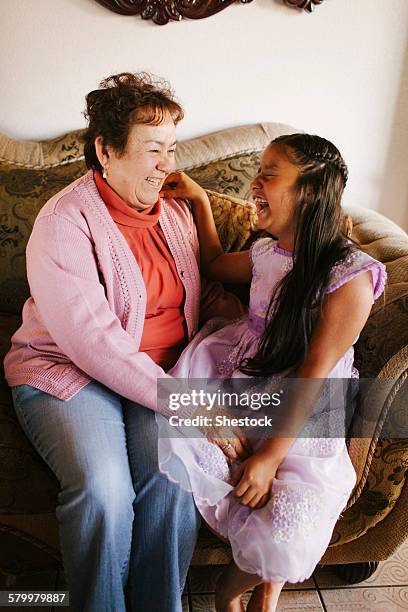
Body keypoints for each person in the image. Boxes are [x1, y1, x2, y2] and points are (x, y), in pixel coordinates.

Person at [3, 72, 246, 612]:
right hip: (69, 374)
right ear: (106, 151)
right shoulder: (64, 222)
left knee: (174, 476)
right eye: (153, 149)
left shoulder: (176, 214)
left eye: (173, 149)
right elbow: (93, 343)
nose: (168, 164)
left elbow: (192, 300)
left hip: (157, 377)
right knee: (104, 492)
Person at [155, 133, 387, 612]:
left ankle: (235, 590)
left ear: (309, 190)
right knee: (191, 441)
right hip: (243, 373)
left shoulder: (350, 276)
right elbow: (216, 263)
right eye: (257, 171)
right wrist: (199, 200)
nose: (254, 183)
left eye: (269, 173)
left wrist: (269, 458)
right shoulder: (267, 251)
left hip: (307, 401)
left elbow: (314, 374)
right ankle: (265, 590)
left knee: (290, 519)